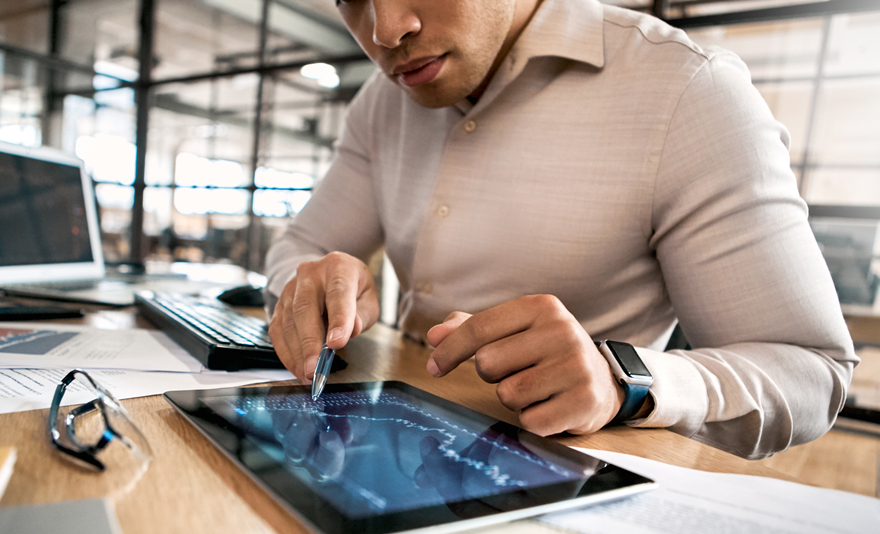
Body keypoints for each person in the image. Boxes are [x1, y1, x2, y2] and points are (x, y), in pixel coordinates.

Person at [264, 0, 857, 459]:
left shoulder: (687, 91)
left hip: (568, 495)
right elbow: (302, 247)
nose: (386, 29)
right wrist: (312, 288)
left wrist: (621, 377)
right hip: (393, 457)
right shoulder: (380, 102)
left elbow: (811, 371)